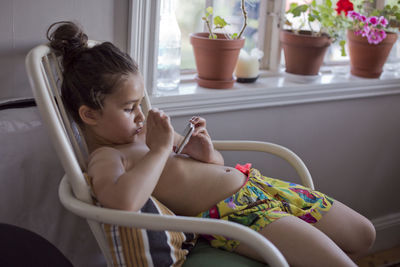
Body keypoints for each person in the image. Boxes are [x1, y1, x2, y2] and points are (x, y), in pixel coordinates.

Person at [47, 21, 375, 267]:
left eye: (139, 104)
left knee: (364, 235)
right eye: (129, 107)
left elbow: (214, 166)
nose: (140, 114)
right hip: (240, 217)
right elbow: (123, 203)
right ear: (89, 115)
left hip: (259, 185)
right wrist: (161, 149)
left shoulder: (144, 132)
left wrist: (203, 152)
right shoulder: (107, 157)